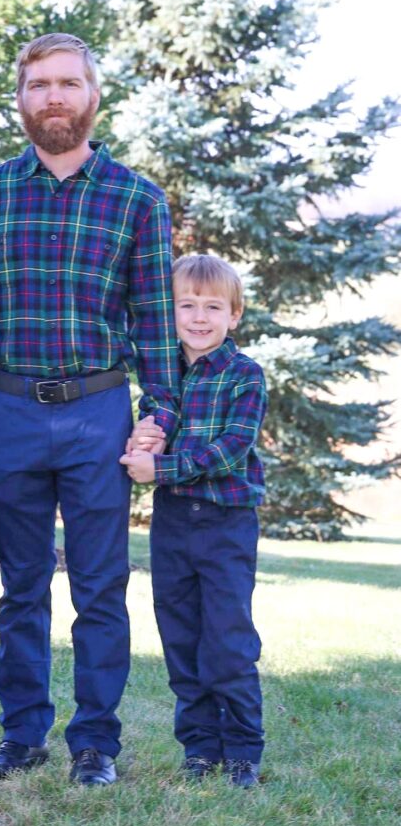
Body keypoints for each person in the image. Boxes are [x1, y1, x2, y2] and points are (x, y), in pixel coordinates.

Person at [0, 32, 180, 786]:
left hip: (99, 415)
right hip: (10, 410)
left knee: (99, 587)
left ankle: (96, 745)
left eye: (68, 83)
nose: (53, 97)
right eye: (38, 86)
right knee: (21, 586)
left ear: (93, 95)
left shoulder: (137, 199)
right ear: (20, 99)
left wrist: (158, 417)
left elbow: (156, 323)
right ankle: (22, 737)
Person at [121, 254, 267, 787]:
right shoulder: (163, 378)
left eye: (212, 307)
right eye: (187, 305)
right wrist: (144, 437)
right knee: (181, 637)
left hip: (227, 522)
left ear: (234, 316)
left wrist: (158, 467)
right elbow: (152, 426)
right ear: (169, 312)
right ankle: (200, 749)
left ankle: (243, 752)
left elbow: (231, 450)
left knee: (227, 641)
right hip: (174, 521)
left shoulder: (244, 374)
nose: (199, 318)